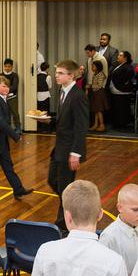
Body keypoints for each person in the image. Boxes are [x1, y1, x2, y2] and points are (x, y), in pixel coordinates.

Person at [44, 60, 89, 231]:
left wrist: (76, 152)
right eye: (56, 72)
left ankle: (62, 226)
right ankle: (71, 206)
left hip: (69, 150)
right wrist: (48, 120)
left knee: (65, 187)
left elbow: (81, 126)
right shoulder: (63, 92)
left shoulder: (78, 96)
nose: (56, 75)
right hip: (59, 149)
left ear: (71, 75)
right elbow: (64, 121)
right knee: (52, 181)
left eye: (61, 73)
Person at [108, 53, 135, 129]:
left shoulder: (128, 66)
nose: (118, 56)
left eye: (120, 55)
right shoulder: (119, 65)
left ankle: (122, 123)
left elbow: (129, 75)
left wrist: (123, 83)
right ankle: (118, 123)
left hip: (121, 91)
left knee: (122, 108)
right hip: (116, 90)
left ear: (125, 58)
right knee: (117, 108)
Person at [88, 58, 109, 132]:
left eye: (93, 66)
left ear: (98, 66)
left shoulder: (101, 74)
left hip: (99, 93)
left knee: (99, 110)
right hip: (95, 93)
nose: (92, 68)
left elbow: (99, 85)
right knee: (96, 110)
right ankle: (96, 124)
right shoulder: (95, 74)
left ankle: (102, 125)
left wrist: (90, 86)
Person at [0, 58, 21, 130]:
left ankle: (18, 128)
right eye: (6, 66)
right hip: (2, 98)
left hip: (12, 97)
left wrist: (5, 91)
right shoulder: (0, 75)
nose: (7, 68)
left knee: (15, 113)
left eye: (9, 66)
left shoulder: (14, 75)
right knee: (5, 114)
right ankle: (7, 128)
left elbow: (14, 87)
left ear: (12, 67)